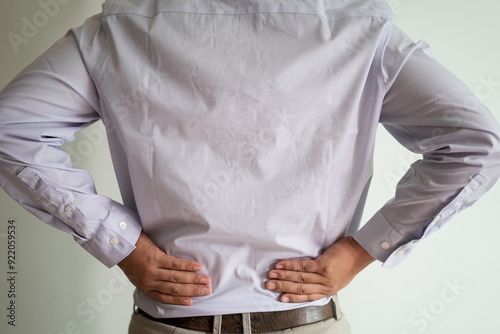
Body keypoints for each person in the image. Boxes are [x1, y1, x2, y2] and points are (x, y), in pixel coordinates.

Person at [1, 0, 499, 333]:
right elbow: (478, 142)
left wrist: (118, 241)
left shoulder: (121, 27)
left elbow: (9, 129)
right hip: (301, 321)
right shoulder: (360, 28)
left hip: (173, 322)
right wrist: (364, 249)